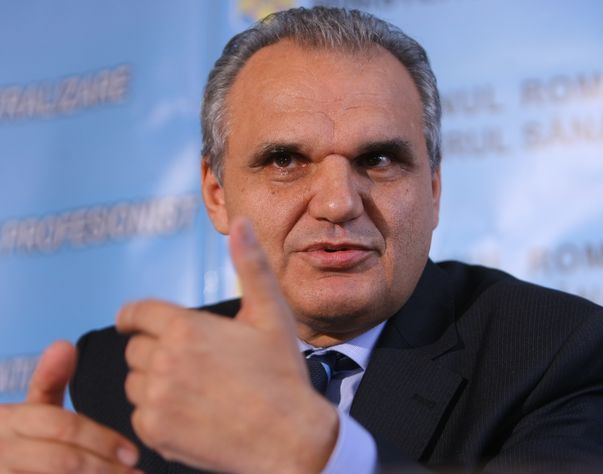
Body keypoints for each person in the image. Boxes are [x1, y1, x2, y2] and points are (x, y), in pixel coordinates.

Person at [2, 6, 603, 474]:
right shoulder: (126, 373)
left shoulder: (558, 355)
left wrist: (317, 453)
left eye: (379, 160)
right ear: (216, 193)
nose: (338, 203)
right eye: (285, 161)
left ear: (435, 190)